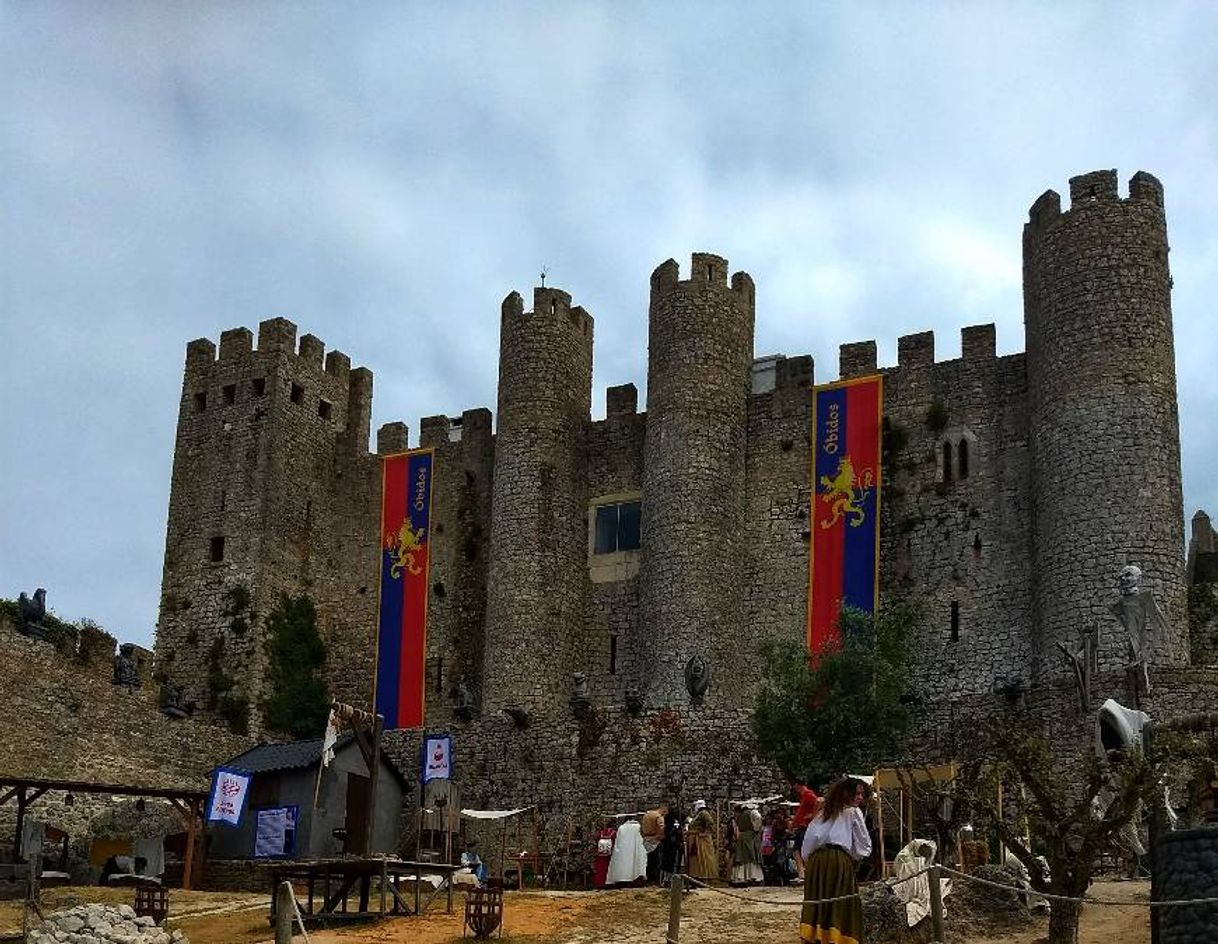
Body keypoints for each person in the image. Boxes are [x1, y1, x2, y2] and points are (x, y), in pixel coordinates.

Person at [800, 777, 871, 944]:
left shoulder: (824, 812)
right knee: (839, 899)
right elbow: (863, 844)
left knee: (819, 897)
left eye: (862, 794)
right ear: (847, 793)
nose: (860, 797)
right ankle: (835, 937)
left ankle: (816, 935)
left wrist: (809, 860)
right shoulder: (853, 812)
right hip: (838, 860)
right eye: (857, 793)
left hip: (817, 861)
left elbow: (810, 838)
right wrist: (854, 857)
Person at [791, 777, 822, 878]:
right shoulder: (804, 796)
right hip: (801, 825)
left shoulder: (808, 794)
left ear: (797, 785)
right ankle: (802, 872)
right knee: (797, 850)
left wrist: (813, 815)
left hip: (805, 826)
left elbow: (818, 802)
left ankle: (803, 873)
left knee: (800, 849)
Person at [606, 817, 647, 886]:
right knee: (635, 864)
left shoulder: (622, 827)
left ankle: (623, 879)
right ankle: (636, 880)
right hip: (635, 850)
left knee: (624, 865)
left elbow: (618, 842)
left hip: (624, 851)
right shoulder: (638, 827)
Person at [731, 803, 763, 885]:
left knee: (742, 857)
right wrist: (756, 830)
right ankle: (753, 876)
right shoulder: (753, 812)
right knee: (751, 856)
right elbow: (758, 819)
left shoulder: (740, 815)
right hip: (750, 836)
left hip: (742, 837)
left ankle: (742, 876)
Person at [686, 799, 718, 881]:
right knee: (696, 858)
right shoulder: (699, 814)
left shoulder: (704, 813)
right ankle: (697, 875)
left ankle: (704, 875)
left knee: (703, 857)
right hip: (695, 838)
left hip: (700, 840)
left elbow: (710, 823)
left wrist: (704, 833)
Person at [641, 804, 667, 882]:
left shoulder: (646, 815)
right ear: (664, 809)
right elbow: (661, 827)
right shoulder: (658, 817)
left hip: (646, 838)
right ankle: (655, 879)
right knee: (656, 860)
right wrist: (659, 836)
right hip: (655, 840)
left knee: (647, 860)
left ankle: (648, 877)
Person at [659, 803, 684, 885]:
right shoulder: (667, 818)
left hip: (675, 843)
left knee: (674, 862)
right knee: (668, 862)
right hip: (669, 843)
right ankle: (666, 879)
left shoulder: (679, 817)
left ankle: (672, 879)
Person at [592, 821, 616, 889]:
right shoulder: (614, 832)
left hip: (600, 854)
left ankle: (599, 884)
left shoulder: (601, 832)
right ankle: (608, 883)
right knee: (608, 869)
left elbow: (596, 840)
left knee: (600, 869)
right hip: (609, 854)